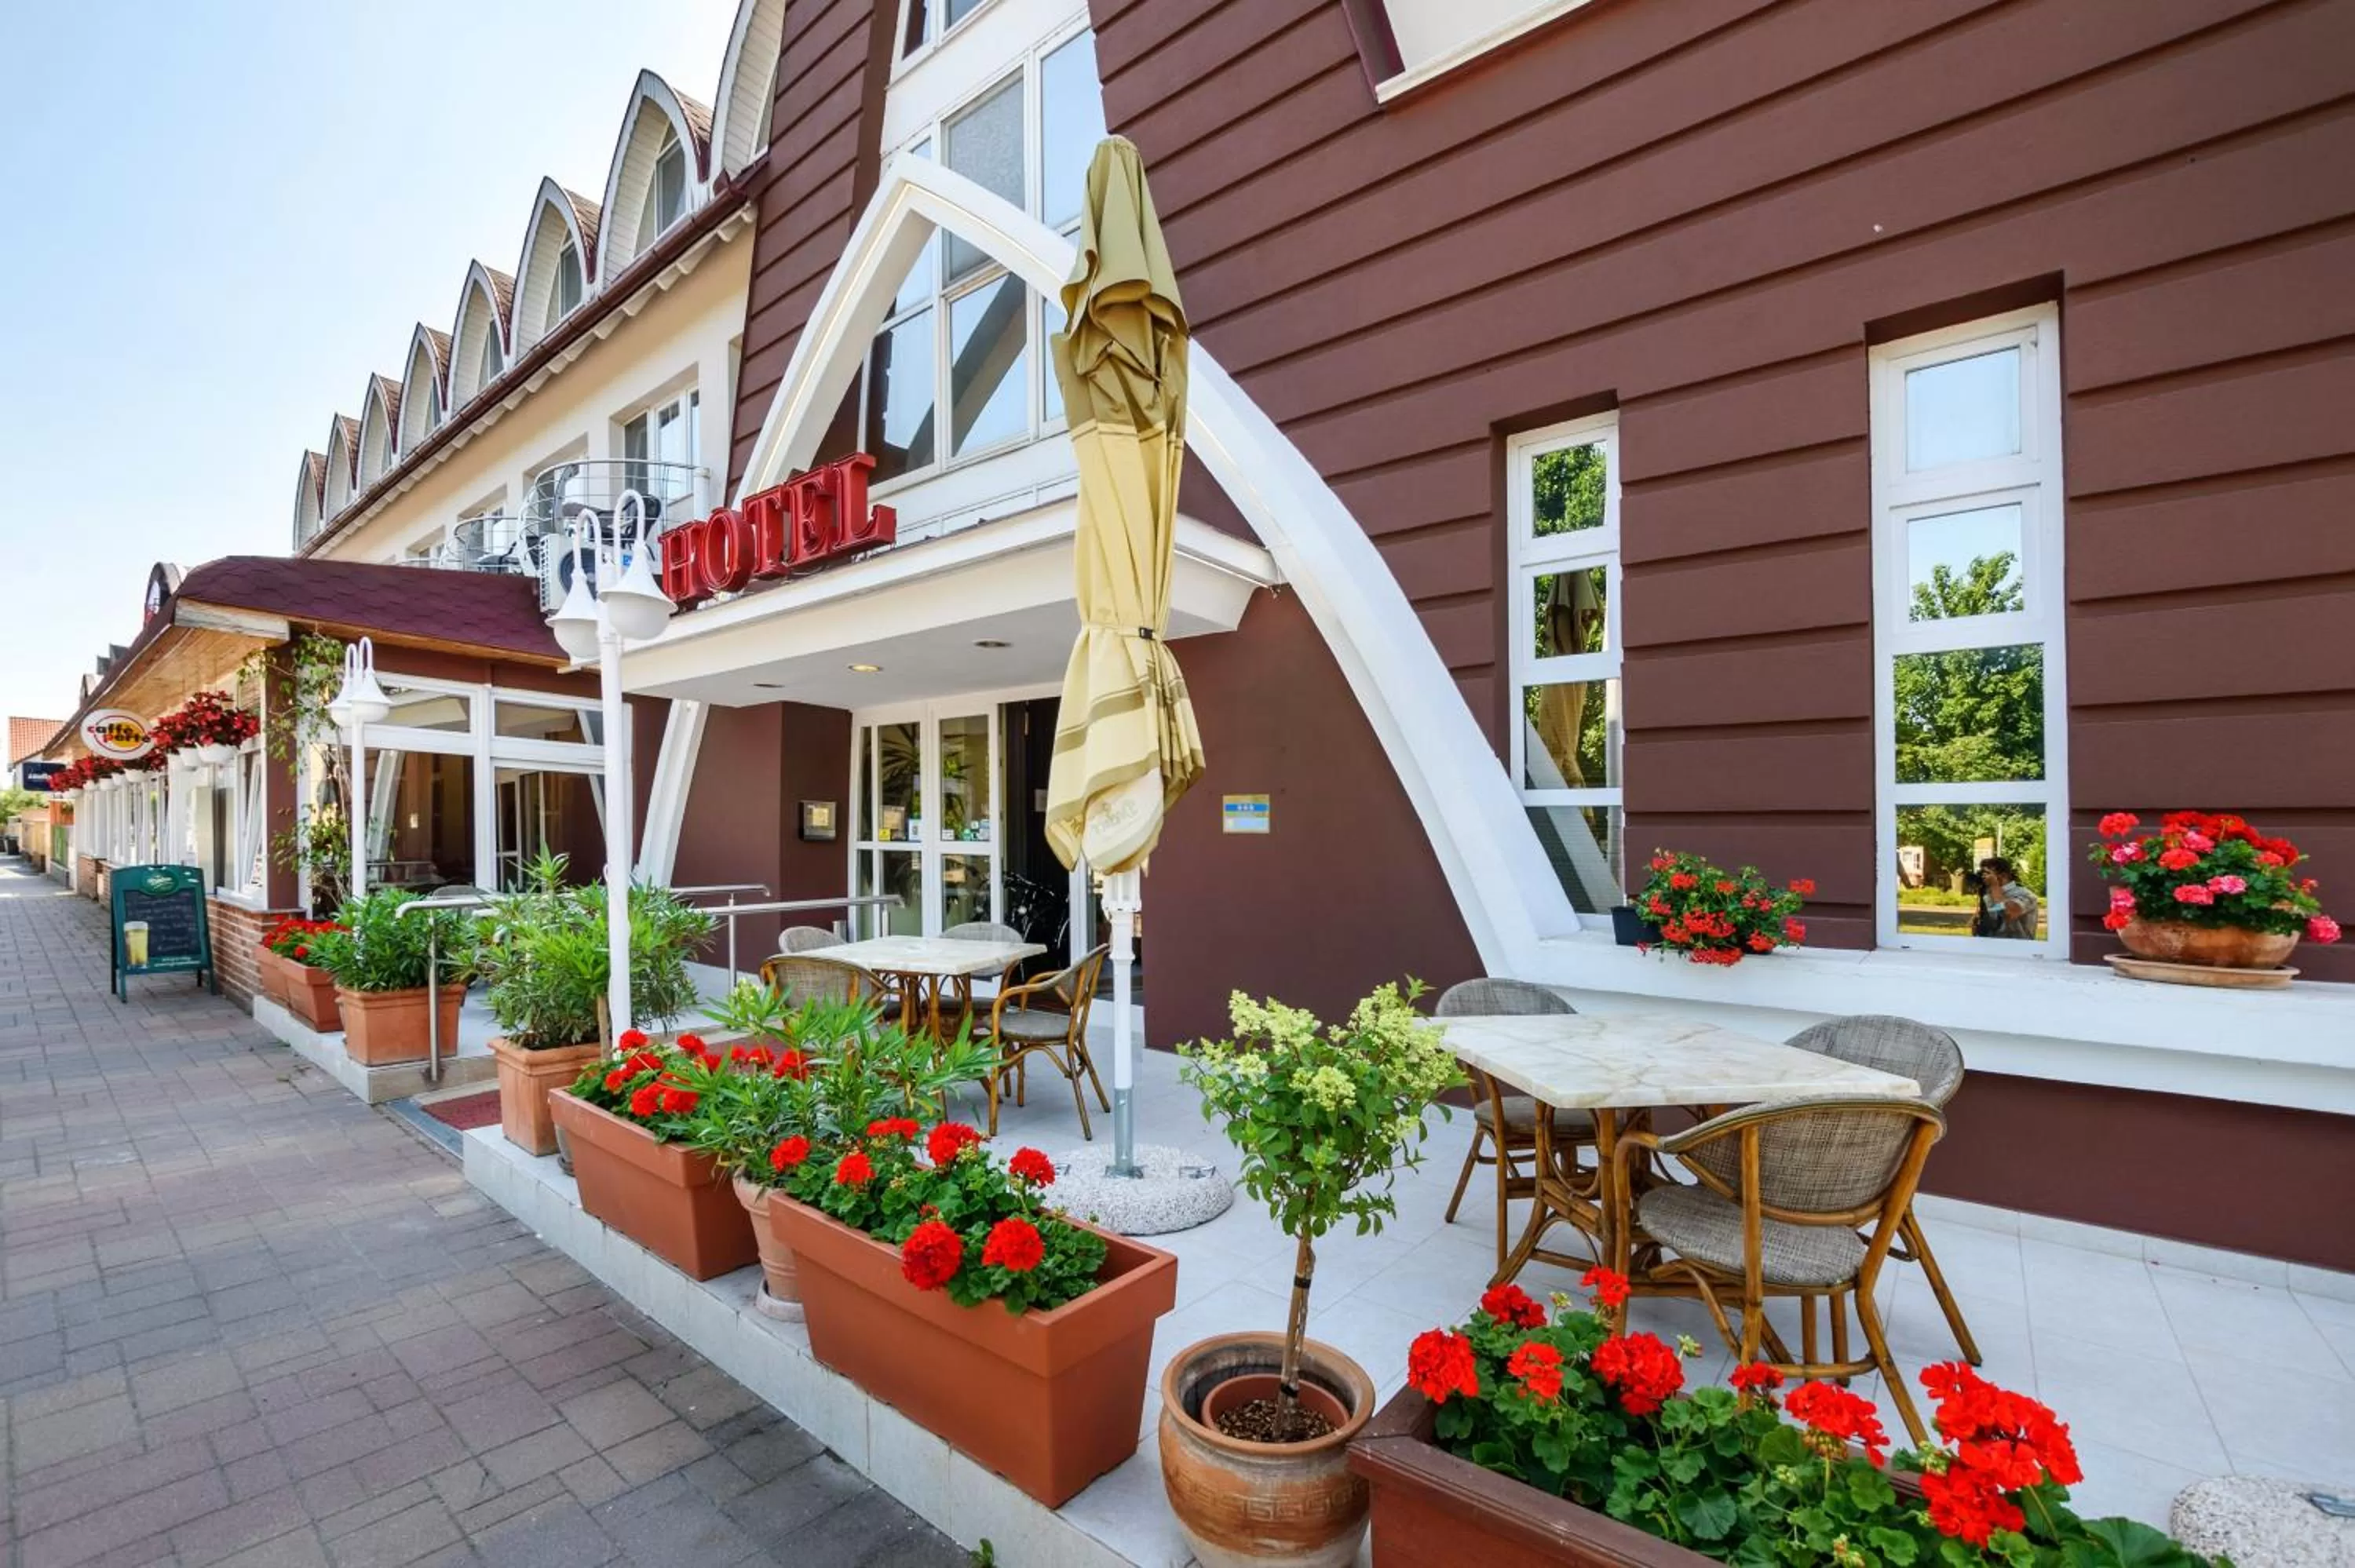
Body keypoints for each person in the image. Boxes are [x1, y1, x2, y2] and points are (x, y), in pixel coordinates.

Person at [1977, 858, 2039, 940]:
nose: (1983, 877)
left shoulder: (2025, 894)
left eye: (1987, 873)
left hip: (2019, 949)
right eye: (1982, 873)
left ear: (2004, 876)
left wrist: (1994, 886)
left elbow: (2010, 912)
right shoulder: (1990, 895)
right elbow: (1995, 922)